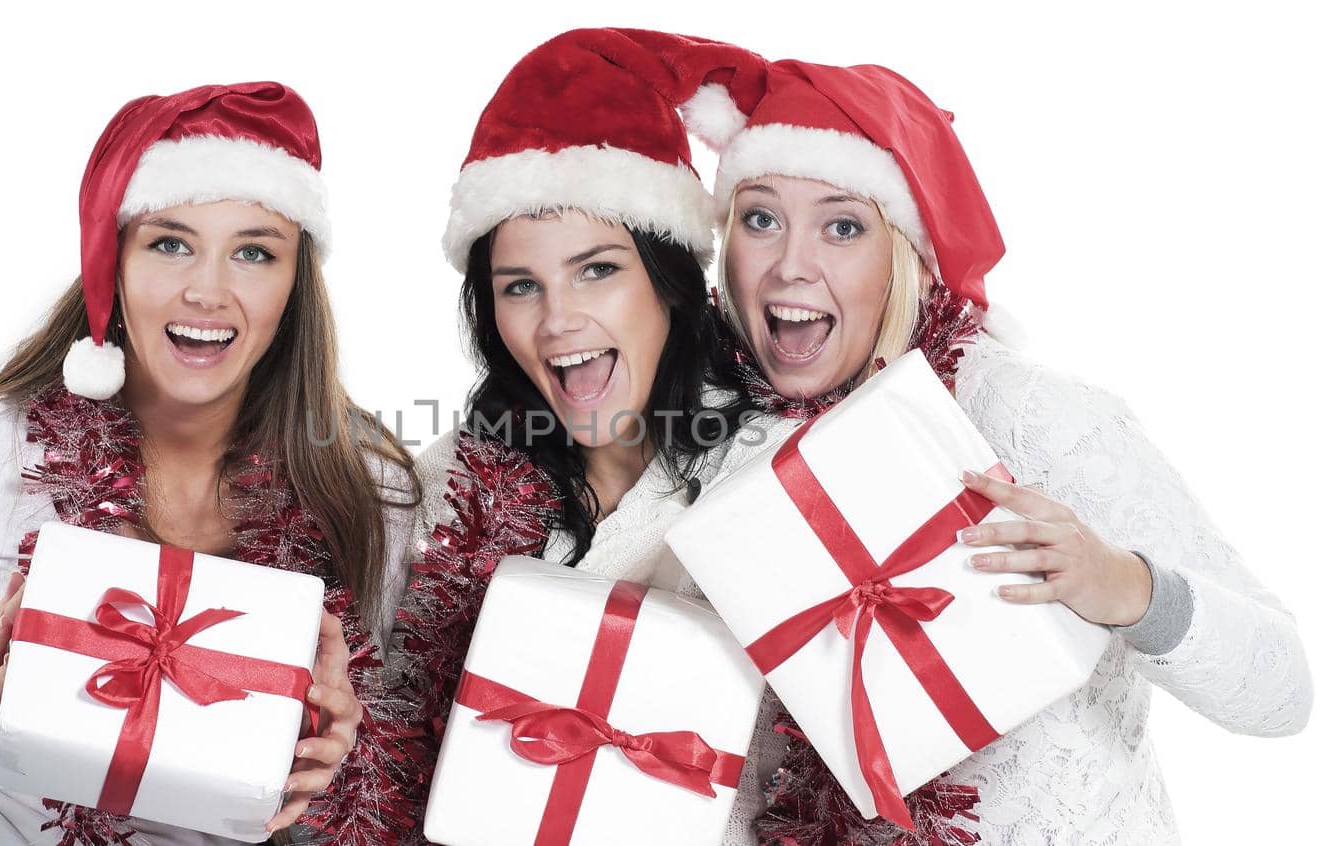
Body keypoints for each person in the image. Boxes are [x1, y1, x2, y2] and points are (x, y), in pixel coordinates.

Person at [677, 57, 1314, 844]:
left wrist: (1123, 587)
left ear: (905, 252)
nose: (790, 265)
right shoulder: (709, 451)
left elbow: (1286, 693)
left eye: (843, 225)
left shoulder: (1022, 414)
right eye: (760, 218)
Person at [0, 81, 418, 846]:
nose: (206, 290)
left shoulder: (363, 489)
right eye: (169, 242)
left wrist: (341, 754)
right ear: (112, 264)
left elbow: (382, 787)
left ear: (292, 284)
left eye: (253, 252)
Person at [374, 29, 776, 839]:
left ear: (668, 282)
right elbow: (379, 743)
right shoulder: (445, 489)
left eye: (598, 268)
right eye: (521, 285)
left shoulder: (772, 465)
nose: (559, 321)